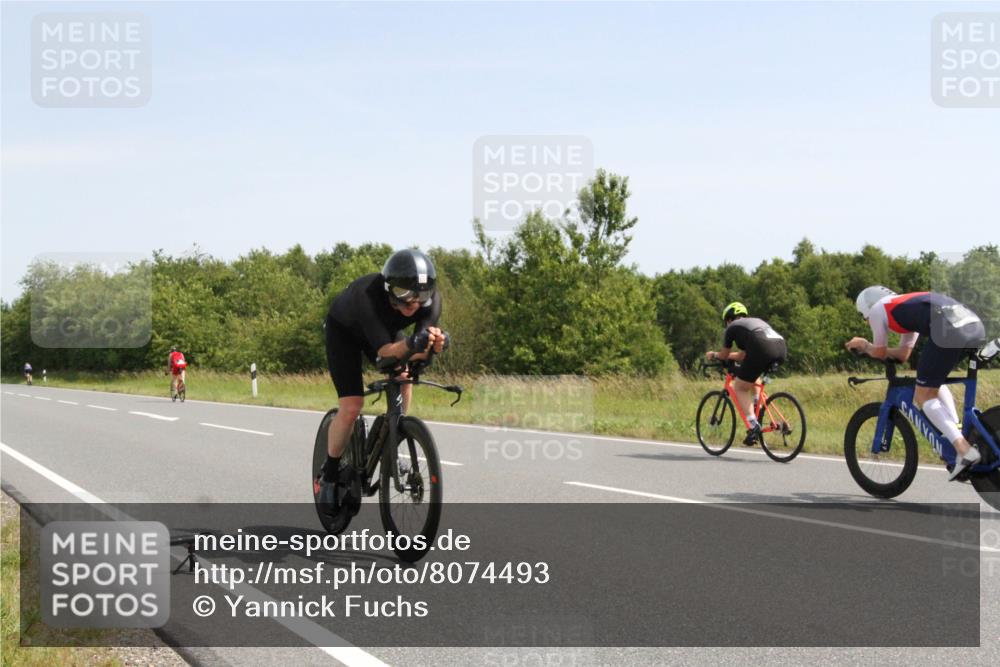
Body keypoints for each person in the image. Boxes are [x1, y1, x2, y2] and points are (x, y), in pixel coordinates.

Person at [319, 249, 447, 518]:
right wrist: (413, 343)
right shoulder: (368, 296)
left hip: (386, 334)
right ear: (389, 289)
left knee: (405, 377)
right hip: (345, 332)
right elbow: (384, 353)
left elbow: (417, 352)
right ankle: (329, 475)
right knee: (353, 405)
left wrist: (434, 346)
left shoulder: (431, 301)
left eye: (421, 294)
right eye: (404, 293)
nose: (413, 301)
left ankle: (395, 431)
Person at [847, 287, 987, 480]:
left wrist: (864, 345)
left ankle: (963, 449)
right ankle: (955, 431)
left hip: (949, 330)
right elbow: (903, 355)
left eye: (865, 318)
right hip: (974, 326)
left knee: (922, 395)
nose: (868, 322)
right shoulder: (903, 307)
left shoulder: (879, 309)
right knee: (932, 383)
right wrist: (876, 349)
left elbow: (879, 351)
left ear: (867, 309)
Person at [706, 302, 787, 446]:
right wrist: (730, 356)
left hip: (762, 348)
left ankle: (753, 426)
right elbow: (742, 355)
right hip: (780, 348)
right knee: (753, 373)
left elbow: (724, 355)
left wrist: (714, 354)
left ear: (729, 319)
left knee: (740, 388)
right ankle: (758, 405)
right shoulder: (753, 323)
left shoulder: (732, 328)